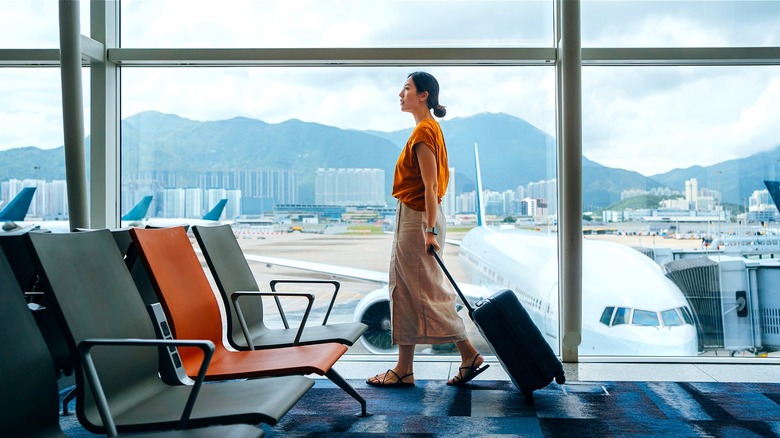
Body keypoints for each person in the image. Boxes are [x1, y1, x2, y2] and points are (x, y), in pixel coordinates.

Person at [366, 72, 489, 388]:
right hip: (416, 216)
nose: (400, 93)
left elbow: (431, 185)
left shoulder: (424, 132)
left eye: (406, 88)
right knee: (405, 290)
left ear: (423, 95)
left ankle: (467, 354)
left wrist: (430, 230)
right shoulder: (427, 129)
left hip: (419, 218)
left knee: (426, 290)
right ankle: (405, 367)